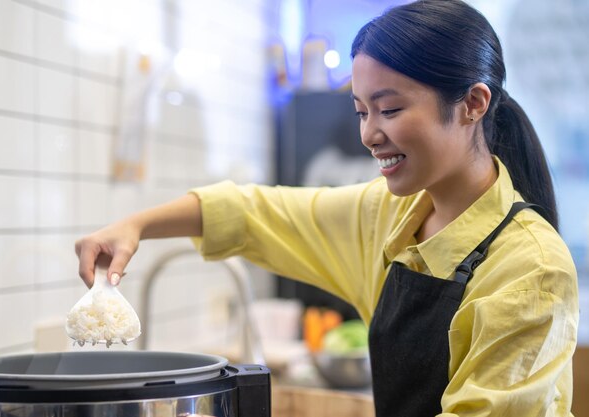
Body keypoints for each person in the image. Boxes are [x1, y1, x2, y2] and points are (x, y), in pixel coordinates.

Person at [75, 1, 579, 416]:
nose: (368, 134)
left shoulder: (531, 271)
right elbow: (256, 212)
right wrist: (136, 225)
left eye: (391, 109)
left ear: (473, 103)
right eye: (361, 111)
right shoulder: (391, 218)